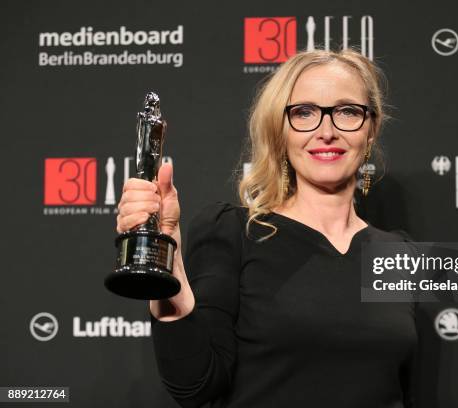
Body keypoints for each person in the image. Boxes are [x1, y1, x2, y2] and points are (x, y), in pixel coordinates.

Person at [116, 49, 417, 408]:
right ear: (280, 130)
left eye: (347, 111)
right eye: (304, 112)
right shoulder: (233, 233)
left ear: (371, 128)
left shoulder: (401, 254)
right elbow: (195, 385)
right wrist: (167, 263)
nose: (327, 131)